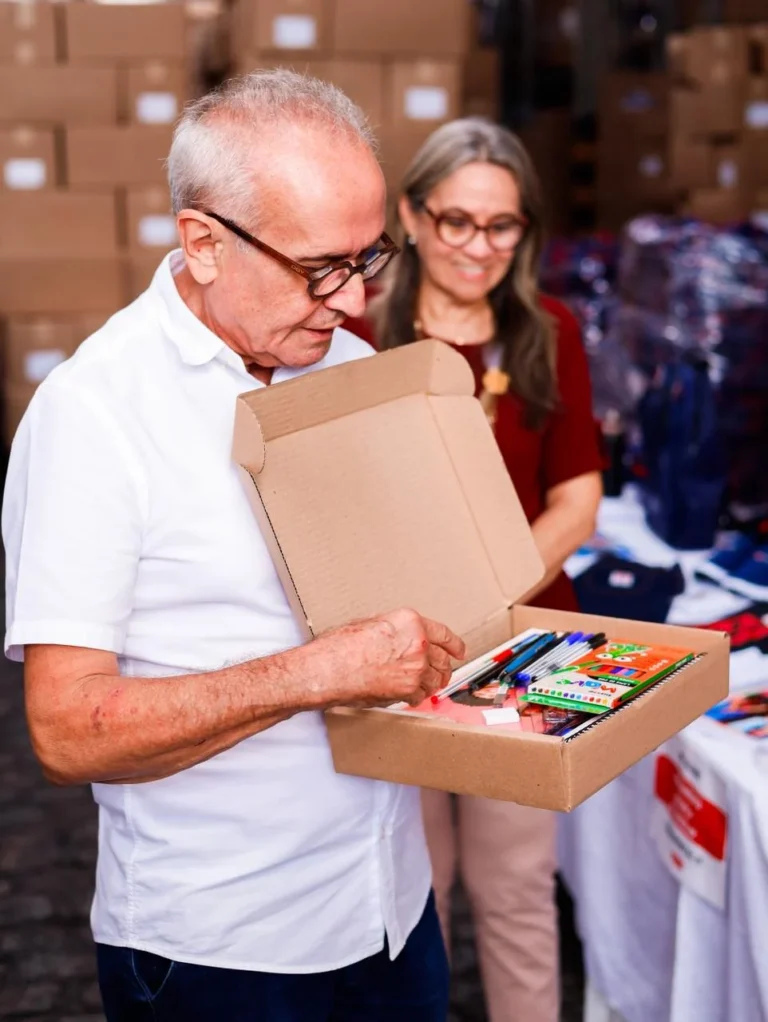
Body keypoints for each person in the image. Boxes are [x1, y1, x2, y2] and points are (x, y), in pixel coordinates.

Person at [2, 71, 466, 1022]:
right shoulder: (95, 416)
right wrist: (318, 672)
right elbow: (61, 728)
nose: (351, 297)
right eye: (320, 267)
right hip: (222, 949)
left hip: (392, 908)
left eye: (369, 257)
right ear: (203, 243)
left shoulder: (349, 363)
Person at [347, 117, 603, 1022]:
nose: (480, 247)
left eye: (502, 226)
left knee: (518, 885)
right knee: (414, 894)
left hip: (526, 650)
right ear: (412, 216)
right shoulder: (355, 335)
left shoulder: (549, 330)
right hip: (392, 651)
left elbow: (575, 500)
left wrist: (484, 595)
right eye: (457, 220)